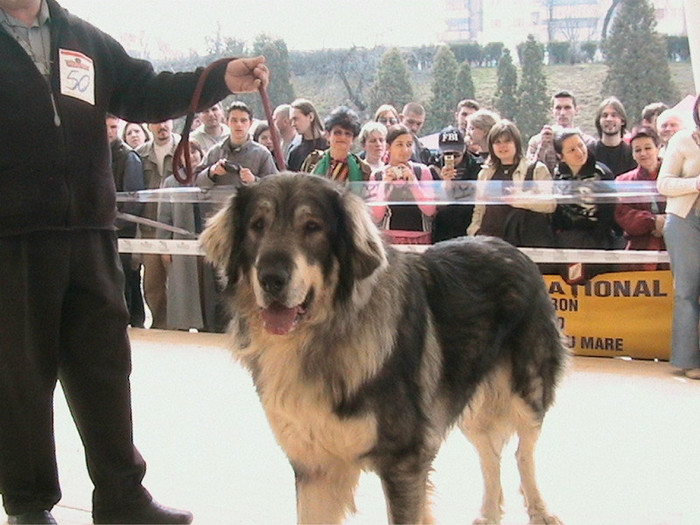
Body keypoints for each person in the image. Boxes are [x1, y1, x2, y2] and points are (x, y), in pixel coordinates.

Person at [0, 1, 269, 523]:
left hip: (91, 230)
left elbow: (144, 89)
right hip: (12, 236)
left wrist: (217, 78)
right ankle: (30, 505)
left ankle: (122, 497)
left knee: (105, 365)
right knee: (19, 376)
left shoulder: (84, 37)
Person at [656, 94, 700, 379]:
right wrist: (696, 183)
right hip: (685, 221)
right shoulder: (682, 140)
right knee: (687, 291)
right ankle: (687, 360)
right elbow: (664, 183)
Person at [157, 141, 215, 332]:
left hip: (208, 243)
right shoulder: (171, 182)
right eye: (185, 153)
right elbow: (164, 217)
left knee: (208, 288)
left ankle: (209, 326)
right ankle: (183, 326)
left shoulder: (212, 178)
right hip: (181, 245)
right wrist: (165, 247)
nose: (191, 156)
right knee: (183, 288)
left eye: (195, 151)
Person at [467, 120, 555, 241]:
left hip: (521, 240)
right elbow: (479, 210)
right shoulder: (485, 173)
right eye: (497, 142)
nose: (502, 146)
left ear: (516, 143)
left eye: (507, 141)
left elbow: (550, 205)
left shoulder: (537, 169)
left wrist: (522, 199)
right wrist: (474, 232)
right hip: (488, 242)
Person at [552, 129, 618, 282]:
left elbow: (609, 211)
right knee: (571, 278)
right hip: (567, 236)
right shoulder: (558, 174)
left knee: (589, 279)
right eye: (571, 150)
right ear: (561, 157)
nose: (579, 152)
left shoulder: (601, 173)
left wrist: (596, 238)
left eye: (581, 146)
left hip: (596, 236)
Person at [136, 119, 179, 329]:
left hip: (178, 229)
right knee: (152, 284)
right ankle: (161, 325)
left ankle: (181, 324)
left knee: (180, 282)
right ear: (149, 126)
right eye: (156, 122)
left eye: (165, 122)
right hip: (149, 228)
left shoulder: (185, 149)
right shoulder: (139, 154)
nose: (161, 126)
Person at [106, 114, 146, 328]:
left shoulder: (128, 157)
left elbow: (134, 199)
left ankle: (135, 321)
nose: (109, 131)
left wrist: (116, 223)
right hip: (105, 229)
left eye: (113, 127)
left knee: (129, 277)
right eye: (106, 127)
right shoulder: (95, 154)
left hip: (124, 230)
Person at [370, 125, 436, 244]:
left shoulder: (422, 171)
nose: (405, 150)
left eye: (409, 144)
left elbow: (430, 210)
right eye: (399, 144)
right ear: (389, 147)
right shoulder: (377, 175)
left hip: (420, 238)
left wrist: (413, 183)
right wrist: (385, 186)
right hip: (389, 238)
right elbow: (376, 216)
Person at [614, 127, 667, 270]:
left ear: (658, 148)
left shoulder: (675, 176)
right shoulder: (623, 181)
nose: (643, 153)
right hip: (639, 251)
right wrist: (652, 222)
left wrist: (668, 222)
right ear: (632, 154)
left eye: (648, 148)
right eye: (637, 150)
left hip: (675, 248)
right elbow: (623, 215)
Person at [195, 101, 278, 189]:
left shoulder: (262, 154)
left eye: (243, 120)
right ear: (227, 122)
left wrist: (254, 180)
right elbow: (196, 182)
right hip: (221, 202)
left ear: (250, 123)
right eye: (234, 120)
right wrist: (211, 171)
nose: (238, 125)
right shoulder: (215, 152)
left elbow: (275, 187)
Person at [431, 126, 482, 242]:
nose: (452, 158)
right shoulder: (433, 166)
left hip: (468, 226)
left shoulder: (476, 167)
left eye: (456, 154)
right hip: (442, 229)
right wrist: (445, 182)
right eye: (447, 154)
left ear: (464, 149)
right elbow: (434, 204)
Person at [527, 90, 595, 174]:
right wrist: (543, 146)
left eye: (567, 108)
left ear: (576, 110)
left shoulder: (587, 142)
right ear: (552, 111)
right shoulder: (536, 141)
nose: (562, 113)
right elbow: (529, 173)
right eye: (558, 108)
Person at [300, 106, 371, 183]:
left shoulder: (362, 168)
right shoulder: (313, 161)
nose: (342, 137)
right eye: (337, 133)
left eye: (348, 134)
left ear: (353, 139)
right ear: (328, 135)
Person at [593, 96, 637, 176]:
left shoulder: (631, 154)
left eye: (614, 115)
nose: (609, 119)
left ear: (622, 121)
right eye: (605, 115)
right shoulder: (589, 152)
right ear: (599, 121)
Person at [286, 98, 328, 171]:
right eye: (291, 120)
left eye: (295, 119)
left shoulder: (330, 144)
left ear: (311, 117)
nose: (293, 124)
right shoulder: (295, 152)